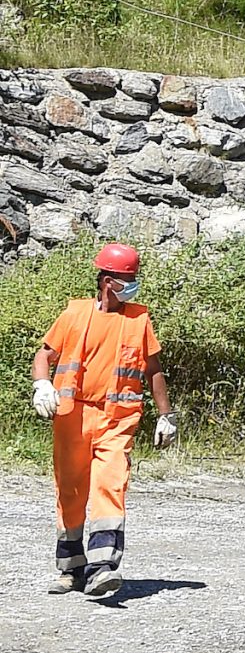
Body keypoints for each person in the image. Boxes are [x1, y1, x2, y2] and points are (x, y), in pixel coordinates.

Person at [29, 243, 175, 600]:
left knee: (110, 485)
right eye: (128, 279)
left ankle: (102, 568)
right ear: (108, 281)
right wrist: (41, 384)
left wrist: (167, 415)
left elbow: (153, 370)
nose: (133, 285)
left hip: (117, 419)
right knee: (71, 491)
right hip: (72, 417)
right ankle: (71, 570)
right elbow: (44, 355)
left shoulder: (138, 319)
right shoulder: (75, 315)